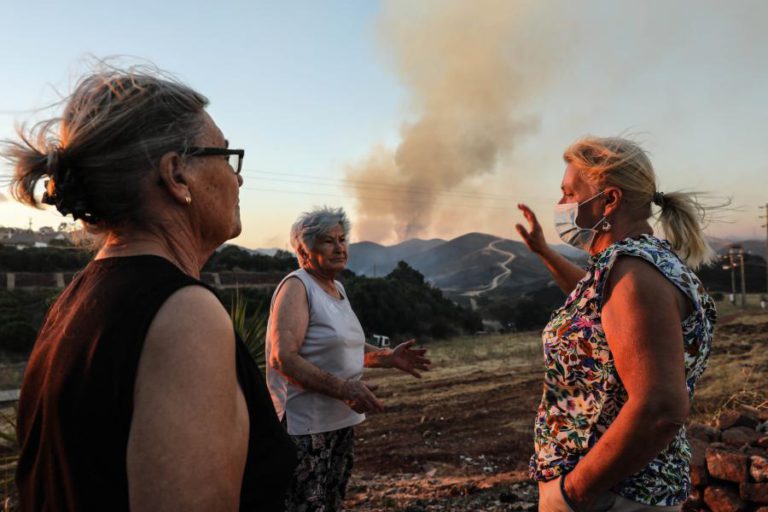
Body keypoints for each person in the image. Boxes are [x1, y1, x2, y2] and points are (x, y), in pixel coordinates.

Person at [2, 67, 296, 511]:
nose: (238, 179)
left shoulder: (75, 301)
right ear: (177, 175)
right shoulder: (185, 316)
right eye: (226, 155)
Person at [515, 137, 716, 511]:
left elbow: (660, 407)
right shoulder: (634, 266)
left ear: (609, 200)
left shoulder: (634, 274)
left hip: (612, 495)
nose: (561, 205)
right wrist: (544, 252)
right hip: (613, 492)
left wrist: (574, 492)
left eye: (569, 193)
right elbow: (599, 308)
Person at [266, 206, 431, 511]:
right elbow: (283, 358)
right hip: (306, 429)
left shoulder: (336, 288)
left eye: (342, 239)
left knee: (331, 502)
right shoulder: (297, 287)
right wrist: (344, 389)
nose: (339, 247)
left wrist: (387, 357)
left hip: (339, 423)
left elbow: (344, 346)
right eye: (328, 241)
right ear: (304, 250)